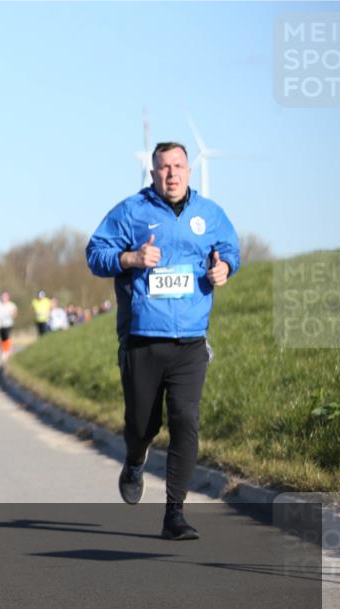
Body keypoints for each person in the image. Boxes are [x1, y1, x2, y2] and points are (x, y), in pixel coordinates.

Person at [86, 141, 240, 540]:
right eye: (163, 167)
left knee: (186, 420)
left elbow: (229, 251)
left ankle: (175, 513)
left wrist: (224, 266)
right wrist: (131, 259)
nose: (171, 174)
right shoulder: (131, 212)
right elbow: (95, 253)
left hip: (190, 339)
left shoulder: (210, 213)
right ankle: (135, 460)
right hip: (143, 337)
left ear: (189, 170)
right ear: (152, 173)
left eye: (178, 166)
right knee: (142, 424)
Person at [0, 291, 18, 359]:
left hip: (8, 324)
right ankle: (5, 350)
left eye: (5, 297)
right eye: (3, 297)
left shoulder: (11, 305)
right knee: (2, 338)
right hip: (0, 324)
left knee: (7, 337)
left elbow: (15, 313)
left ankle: (7, 351)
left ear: (8, 297)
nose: (4, 298)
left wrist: (12, 314)